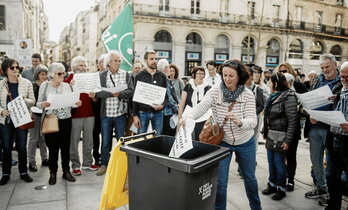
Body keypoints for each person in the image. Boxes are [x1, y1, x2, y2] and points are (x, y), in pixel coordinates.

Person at [181, 60, 261, 210]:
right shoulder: (214, 92)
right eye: (224, 75)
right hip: (223, 142)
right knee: (220, 183)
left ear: (239, 77)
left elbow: (253, 121)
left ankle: (256, 207)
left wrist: (240, 122)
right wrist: (188, 117)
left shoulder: (248, 94)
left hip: (245, 142)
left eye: (231, 75)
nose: (227, 79)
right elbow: (200, 107)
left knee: (250, 179)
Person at [37, 62, 82, 185]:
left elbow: (71, 102)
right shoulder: (45, 86)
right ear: (51, 74)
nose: (62, 75)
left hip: (66, 120)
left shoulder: (67, 86)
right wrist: (43, 104)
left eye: (64, 73)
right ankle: (53, 172)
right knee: (53, 148)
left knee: (66, 147)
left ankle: (66, 171)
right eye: (59, 73)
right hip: (51, 119)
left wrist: (76, 103)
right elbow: (38, 103)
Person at [305, 53, 342, 199]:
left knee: (332, 163)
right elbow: (309, 99)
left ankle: (332, 193)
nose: (325, 70)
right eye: (322, 67)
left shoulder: (342, 81)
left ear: (335, 65)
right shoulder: (317, 80)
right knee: (315, 159)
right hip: (315, 127)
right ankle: (321, 187)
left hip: (331, 129)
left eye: (327, 67)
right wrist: (309, 113)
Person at [95, 50, 133, 176]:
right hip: (106, 115)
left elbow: (131, 91)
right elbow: (98, 93)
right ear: (109, 62)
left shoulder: (125, 74)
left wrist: (120, 93)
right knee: (105, 141)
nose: (118, 63)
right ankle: (104, 164)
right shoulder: (102, 75)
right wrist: (111, 93)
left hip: (120, 114)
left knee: (120, 140)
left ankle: (121, 163)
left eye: (119, 61)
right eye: (116, 61)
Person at [261, 72, 298, 200]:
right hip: (272, 134)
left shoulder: (289, 97)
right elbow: (267, 116)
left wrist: (288, 140)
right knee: (271, 162)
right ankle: (272, 185)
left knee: (279, 164)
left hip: (281, 136)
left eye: (270, 82)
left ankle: (281, 189)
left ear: (276, 84)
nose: (268, 84)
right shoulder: (273, 96)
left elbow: (293, 121)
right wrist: (265, 131)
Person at [0, 58, 35, 185]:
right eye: (12, 68)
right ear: (5, 70)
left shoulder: (26, 83)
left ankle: (23, 172)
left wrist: (25, 100)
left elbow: (33, 101)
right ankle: (6, 173)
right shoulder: (0, 85)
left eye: (17, 67)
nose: (15, 70)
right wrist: (1, 111)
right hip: (6, 121)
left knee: (21, 147)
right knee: (6, 147)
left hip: (21, 120)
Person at [65, 56, 98, 176]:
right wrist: (70, 86)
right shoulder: (69, 79)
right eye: (80, 65)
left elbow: (95, 99)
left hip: (90, 114)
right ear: (74, 67)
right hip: (75, 115)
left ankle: (87, 163)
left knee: (89, 141)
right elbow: (65, 97)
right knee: (74, 142)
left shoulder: (90, 78)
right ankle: (75, 165)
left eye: (85, 65)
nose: (83, 68)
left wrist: (94, 96)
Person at [325, 61, 348, 210]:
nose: (344, 80)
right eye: (342, 77)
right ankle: (333, 206)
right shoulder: (339, 88)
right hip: (334, 139)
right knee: (332, 177)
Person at [132, 50, 167, 135]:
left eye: (156, 59)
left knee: (158, 139)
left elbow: (166, 96)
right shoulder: (139, 76)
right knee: (140, 139)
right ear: (145, 60)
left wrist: (162, 106)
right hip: (142, 113)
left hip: (158, 113)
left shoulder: (162, 76)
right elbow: (135, 97)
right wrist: (135, 115)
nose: (154, 61)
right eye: (151, 59)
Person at [178, 66, 211, 140]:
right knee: (187, 138)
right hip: (188, 115)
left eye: (202, 74)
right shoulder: (188, 86)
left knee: (199, 138)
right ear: (194, 75)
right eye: (198, 73)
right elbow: (182, 104)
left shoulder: (208, 87)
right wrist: (180, 118)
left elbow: (210, 105)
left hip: (202, 117)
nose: (201, 75)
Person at [28, 64, 49, 172]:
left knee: (43, 139)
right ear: (37, 75)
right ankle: (31, 161)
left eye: (46, 74)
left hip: (45, 115)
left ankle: (44, 158)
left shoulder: (47, 85)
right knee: (33, 139)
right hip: (34, 115)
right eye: (42, 74)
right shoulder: (32, 85)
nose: (44, 76)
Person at [158, 59, 179, 136]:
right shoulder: (163, 79)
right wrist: (177, 109)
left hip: (167, 113)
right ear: (164, 68)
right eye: (168, 67)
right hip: (167, 113)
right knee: (168, 136)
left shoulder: (164, 79)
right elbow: (168, 97)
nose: (169, 69)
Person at [245, 67, 264, 148]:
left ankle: (253, 155)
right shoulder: (241, 87)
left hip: (255, 116)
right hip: (244, 117)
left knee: (254, 136)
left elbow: (261, 105)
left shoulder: (257, 88)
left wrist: (252, 113)